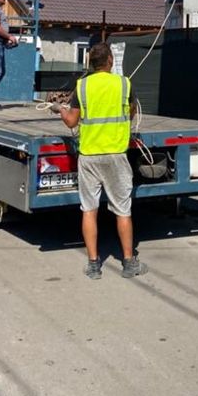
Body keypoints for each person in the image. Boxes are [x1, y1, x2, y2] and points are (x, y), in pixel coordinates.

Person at [59, 42, 147, 280]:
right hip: (116, 155)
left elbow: (71, 122)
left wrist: (61, 110)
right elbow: (130, 111)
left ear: (91, 63)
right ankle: (129, 262)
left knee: (89, 210)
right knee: (123, 211)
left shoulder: (82, 86)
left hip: (89, 156)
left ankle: (93, 264)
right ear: (110, 61)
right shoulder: (123, 84)